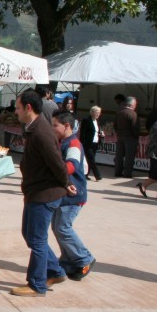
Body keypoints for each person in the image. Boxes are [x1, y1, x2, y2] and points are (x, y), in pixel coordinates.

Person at [11, 90, 69, 297]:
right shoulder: (33, 128)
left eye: (18, 107)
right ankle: (55, 270)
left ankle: (37, 284)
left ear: (28, 107)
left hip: (45, 193)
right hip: (36, 191)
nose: (15, 112)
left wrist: (66, 182)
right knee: (30, 235)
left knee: (36, 239)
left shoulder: (42, 132)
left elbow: (57, 162)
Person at [51, 110, 96, 281]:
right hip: (64, 194)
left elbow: (71, 166)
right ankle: (68, 261)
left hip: (73, 195)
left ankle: (84, 259)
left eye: (55, 125)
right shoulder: (63, 141)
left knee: (63, 228)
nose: (52, 128)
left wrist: (53, 169)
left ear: (67, 126)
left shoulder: (74, 144)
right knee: (58, 228)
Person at [114, 96, 140, 178]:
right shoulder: (133, 114)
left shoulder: (119, 112)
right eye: (135, 104)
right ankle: (127, 173)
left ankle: (117, 171)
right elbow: (135, 127)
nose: (135, 106)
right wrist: (136, 136)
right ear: (132, 105)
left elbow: (115, 125)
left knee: (119, 155)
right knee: (129, 156)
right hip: (130, 137)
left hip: (120, 135)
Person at [136, 109, 157, 198]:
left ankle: (144, 185)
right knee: (155, 175)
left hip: (154, 152)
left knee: (155, 174)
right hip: (156, 153)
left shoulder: (155, 125)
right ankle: (143, 185)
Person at [79, 106, 104, 181]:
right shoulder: (86, 120)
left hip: (95, 143)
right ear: (92, 112)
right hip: (88, 143)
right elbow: (82, 133)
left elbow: (96, 131)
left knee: (89, 160)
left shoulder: (97, 121)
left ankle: (85, 174)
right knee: (92, 160)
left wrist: (101, 133)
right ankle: (98, 176)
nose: (98, 114)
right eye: (97, 112)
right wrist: (82, 143)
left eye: (99, 113)